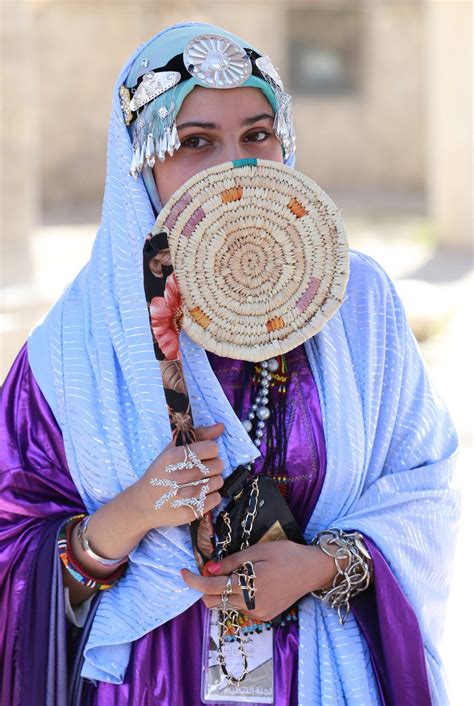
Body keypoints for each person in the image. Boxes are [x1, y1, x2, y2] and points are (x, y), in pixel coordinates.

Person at [0, 21, 460, 706]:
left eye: (256, 135)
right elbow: (14, 543)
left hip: (324, 680)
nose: (233, 165)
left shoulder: (360, 308)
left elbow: (426, 491)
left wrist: (318, 566)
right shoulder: (77, 346)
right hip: (155, 685)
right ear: (139, 163)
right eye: (193, 142)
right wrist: (129, 516)